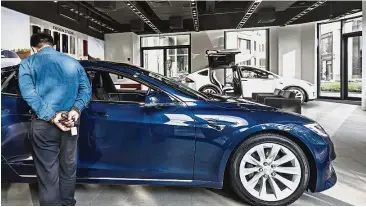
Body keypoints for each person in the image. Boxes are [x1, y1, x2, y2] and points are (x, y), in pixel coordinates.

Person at [18, 32, 91, 206]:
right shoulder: (73, 62)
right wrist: (76, 109)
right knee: (68, 166)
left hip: (44, 124)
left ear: (34, 49)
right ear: (54, 45)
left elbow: (29, 94)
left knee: (47, 171)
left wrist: (52, 116)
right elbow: (86, 89)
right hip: (71, 121)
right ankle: (67, 203)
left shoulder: (28, 63)